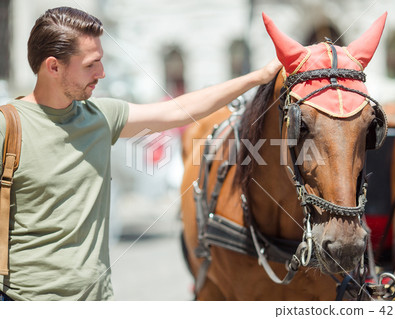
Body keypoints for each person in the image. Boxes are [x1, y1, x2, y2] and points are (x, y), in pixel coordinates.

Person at [0, 7, 281, 301]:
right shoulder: (8, 126)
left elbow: (177, 110)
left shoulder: (100, 117)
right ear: (53, 67)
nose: (102, 73)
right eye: (90, 65)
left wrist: (258, 78)